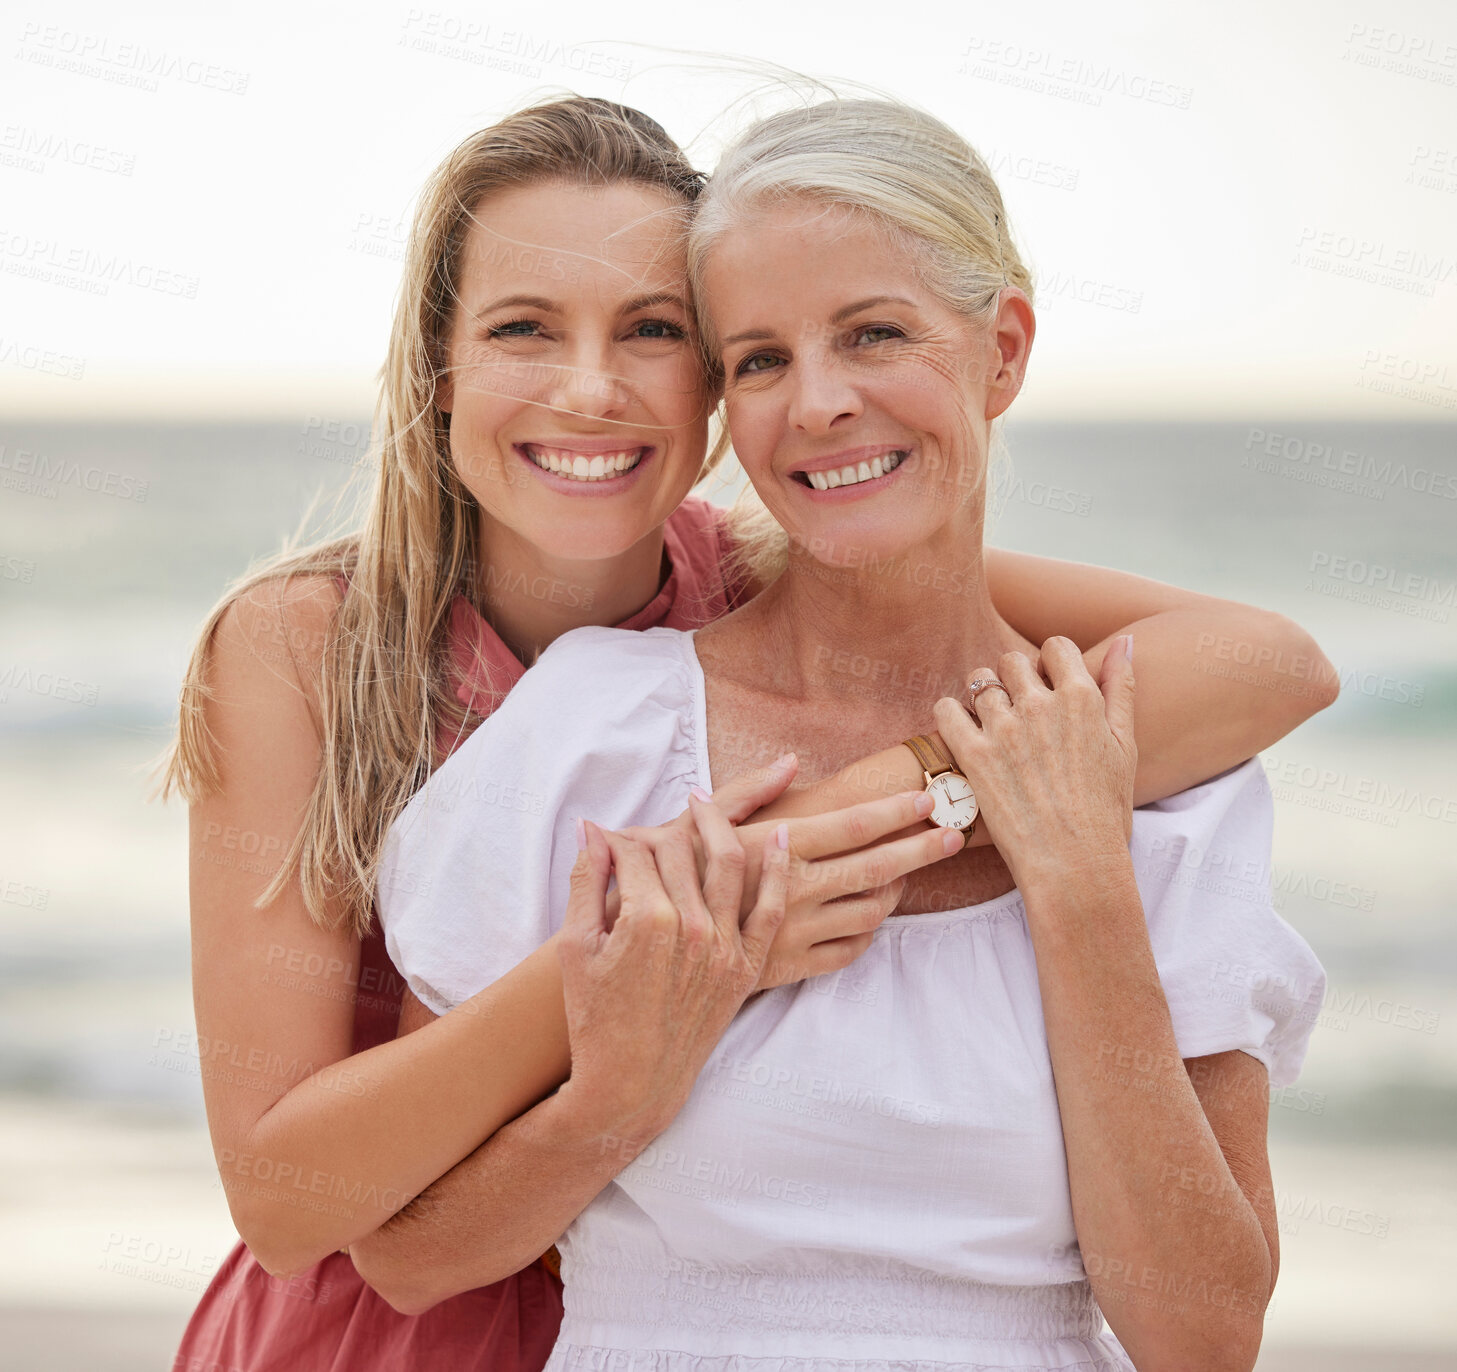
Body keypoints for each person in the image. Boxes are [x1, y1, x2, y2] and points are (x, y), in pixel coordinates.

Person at [164, 95, 1333, 1372]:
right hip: (389, 1322)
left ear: (701, 380)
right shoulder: (315, 645)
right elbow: (290, 1199)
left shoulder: (767, 558)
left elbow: (1266, 661)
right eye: (521, 328)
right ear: (437, 370)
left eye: (654, 329)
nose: (589, 386)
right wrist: (696, 936)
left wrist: (891, 804)